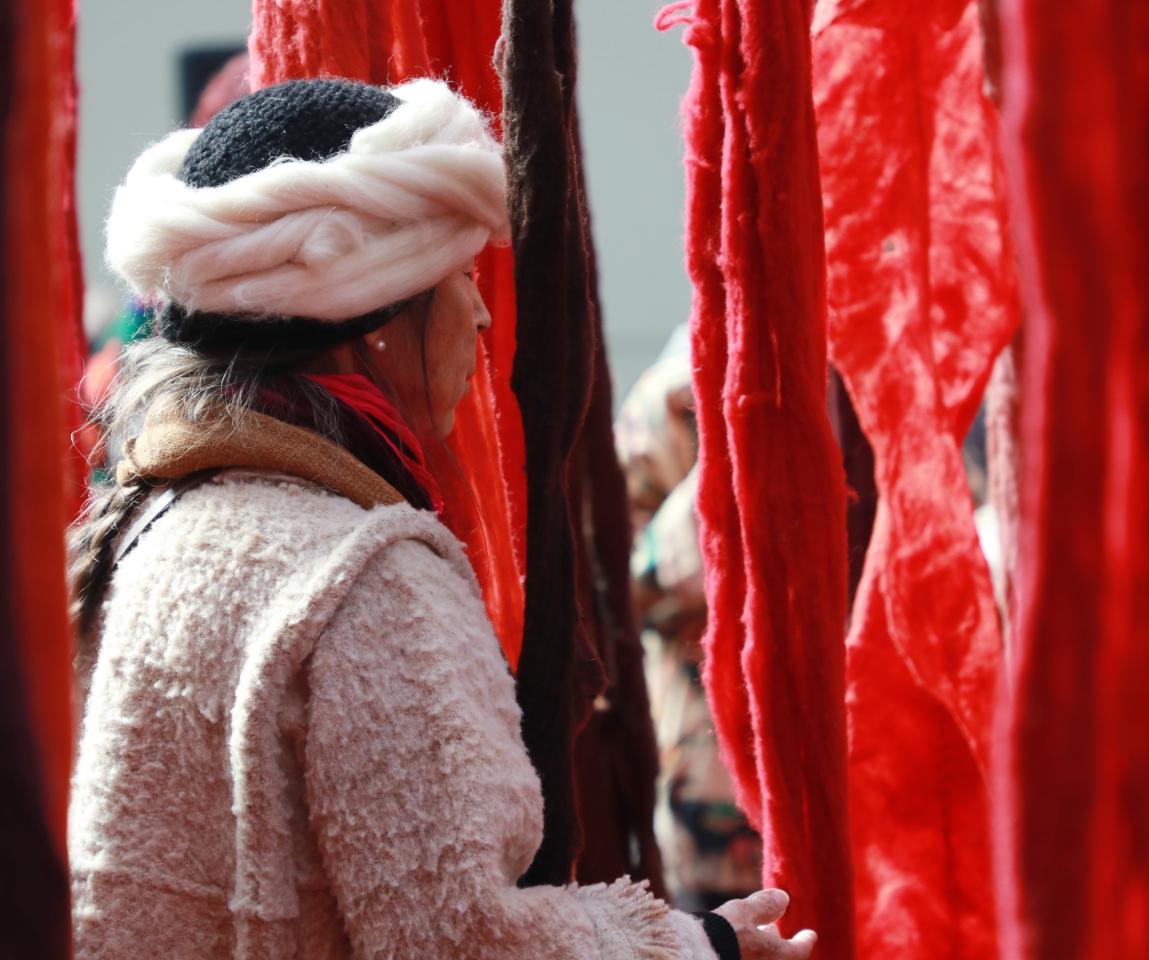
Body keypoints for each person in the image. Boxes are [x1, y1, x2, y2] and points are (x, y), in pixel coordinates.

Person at [66, 77, 816, 960]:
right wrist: (703, 949)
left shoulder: (156, 526)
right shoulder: (362, 576)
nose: (484, 311)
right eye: (459, 276)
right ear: (376, 323)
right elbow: (460, 938)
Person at [616, 327, 765, 912]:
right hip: (708, 790)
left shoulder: (857, 370)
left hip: (853, 789)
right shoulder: (673, 400)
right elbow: (611, 589)